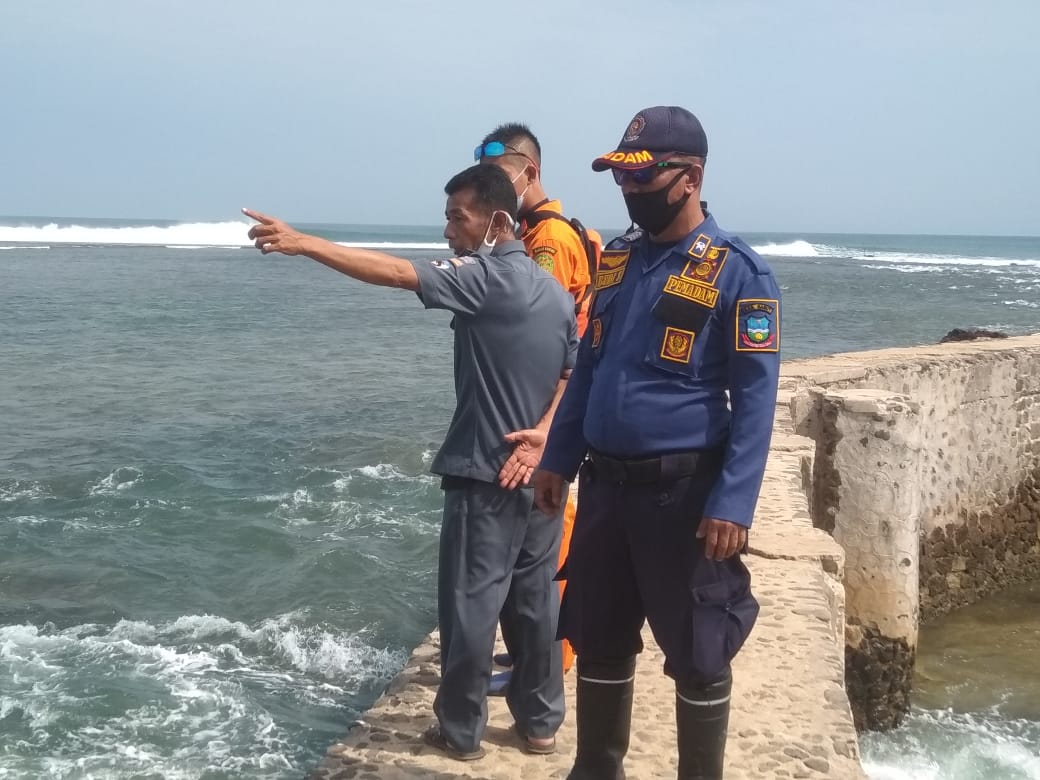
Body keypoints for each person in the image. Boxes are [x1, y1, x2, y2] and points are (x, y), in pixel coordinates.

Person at [244, 163, 575, 761]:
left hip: (486, 472)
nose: (448, 230)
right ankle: (540, 723)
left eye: (458, 217)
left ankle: (460, 730)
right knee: (534, 605)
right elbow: (574, 373)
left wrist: (303, 243)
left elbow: (398, 274)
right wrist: (546, 436)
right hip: (539, 473)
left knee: (470, 607)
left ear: (498, 221)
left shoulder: (487, 276)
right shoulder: (553, 290)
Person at [532, 106, 781, 780]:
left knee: (699, 651)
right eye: (621, 179)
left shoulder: (739, 274)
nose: (629, 192)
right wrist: (557, 458)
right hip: (606, 492)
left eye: (643, 179)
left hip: (684, 496)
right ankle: (596, 770)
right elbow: (589, 367)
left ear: (690, 176)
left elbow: (757, 400)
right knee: (600, 636)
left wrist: (733, 502)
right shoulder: (616, 261)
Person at [474, 122, 598, 688]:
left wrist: (547, 426)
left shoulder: (548, 241)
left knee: (547, 552)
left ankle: (548, 663)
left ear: (531, 172)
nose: (494, 190)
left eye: (502, 177)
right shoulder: (548, 230)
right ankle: (535, 659)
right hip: (558, 408)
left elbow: (540, 327)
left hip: (550, 414)